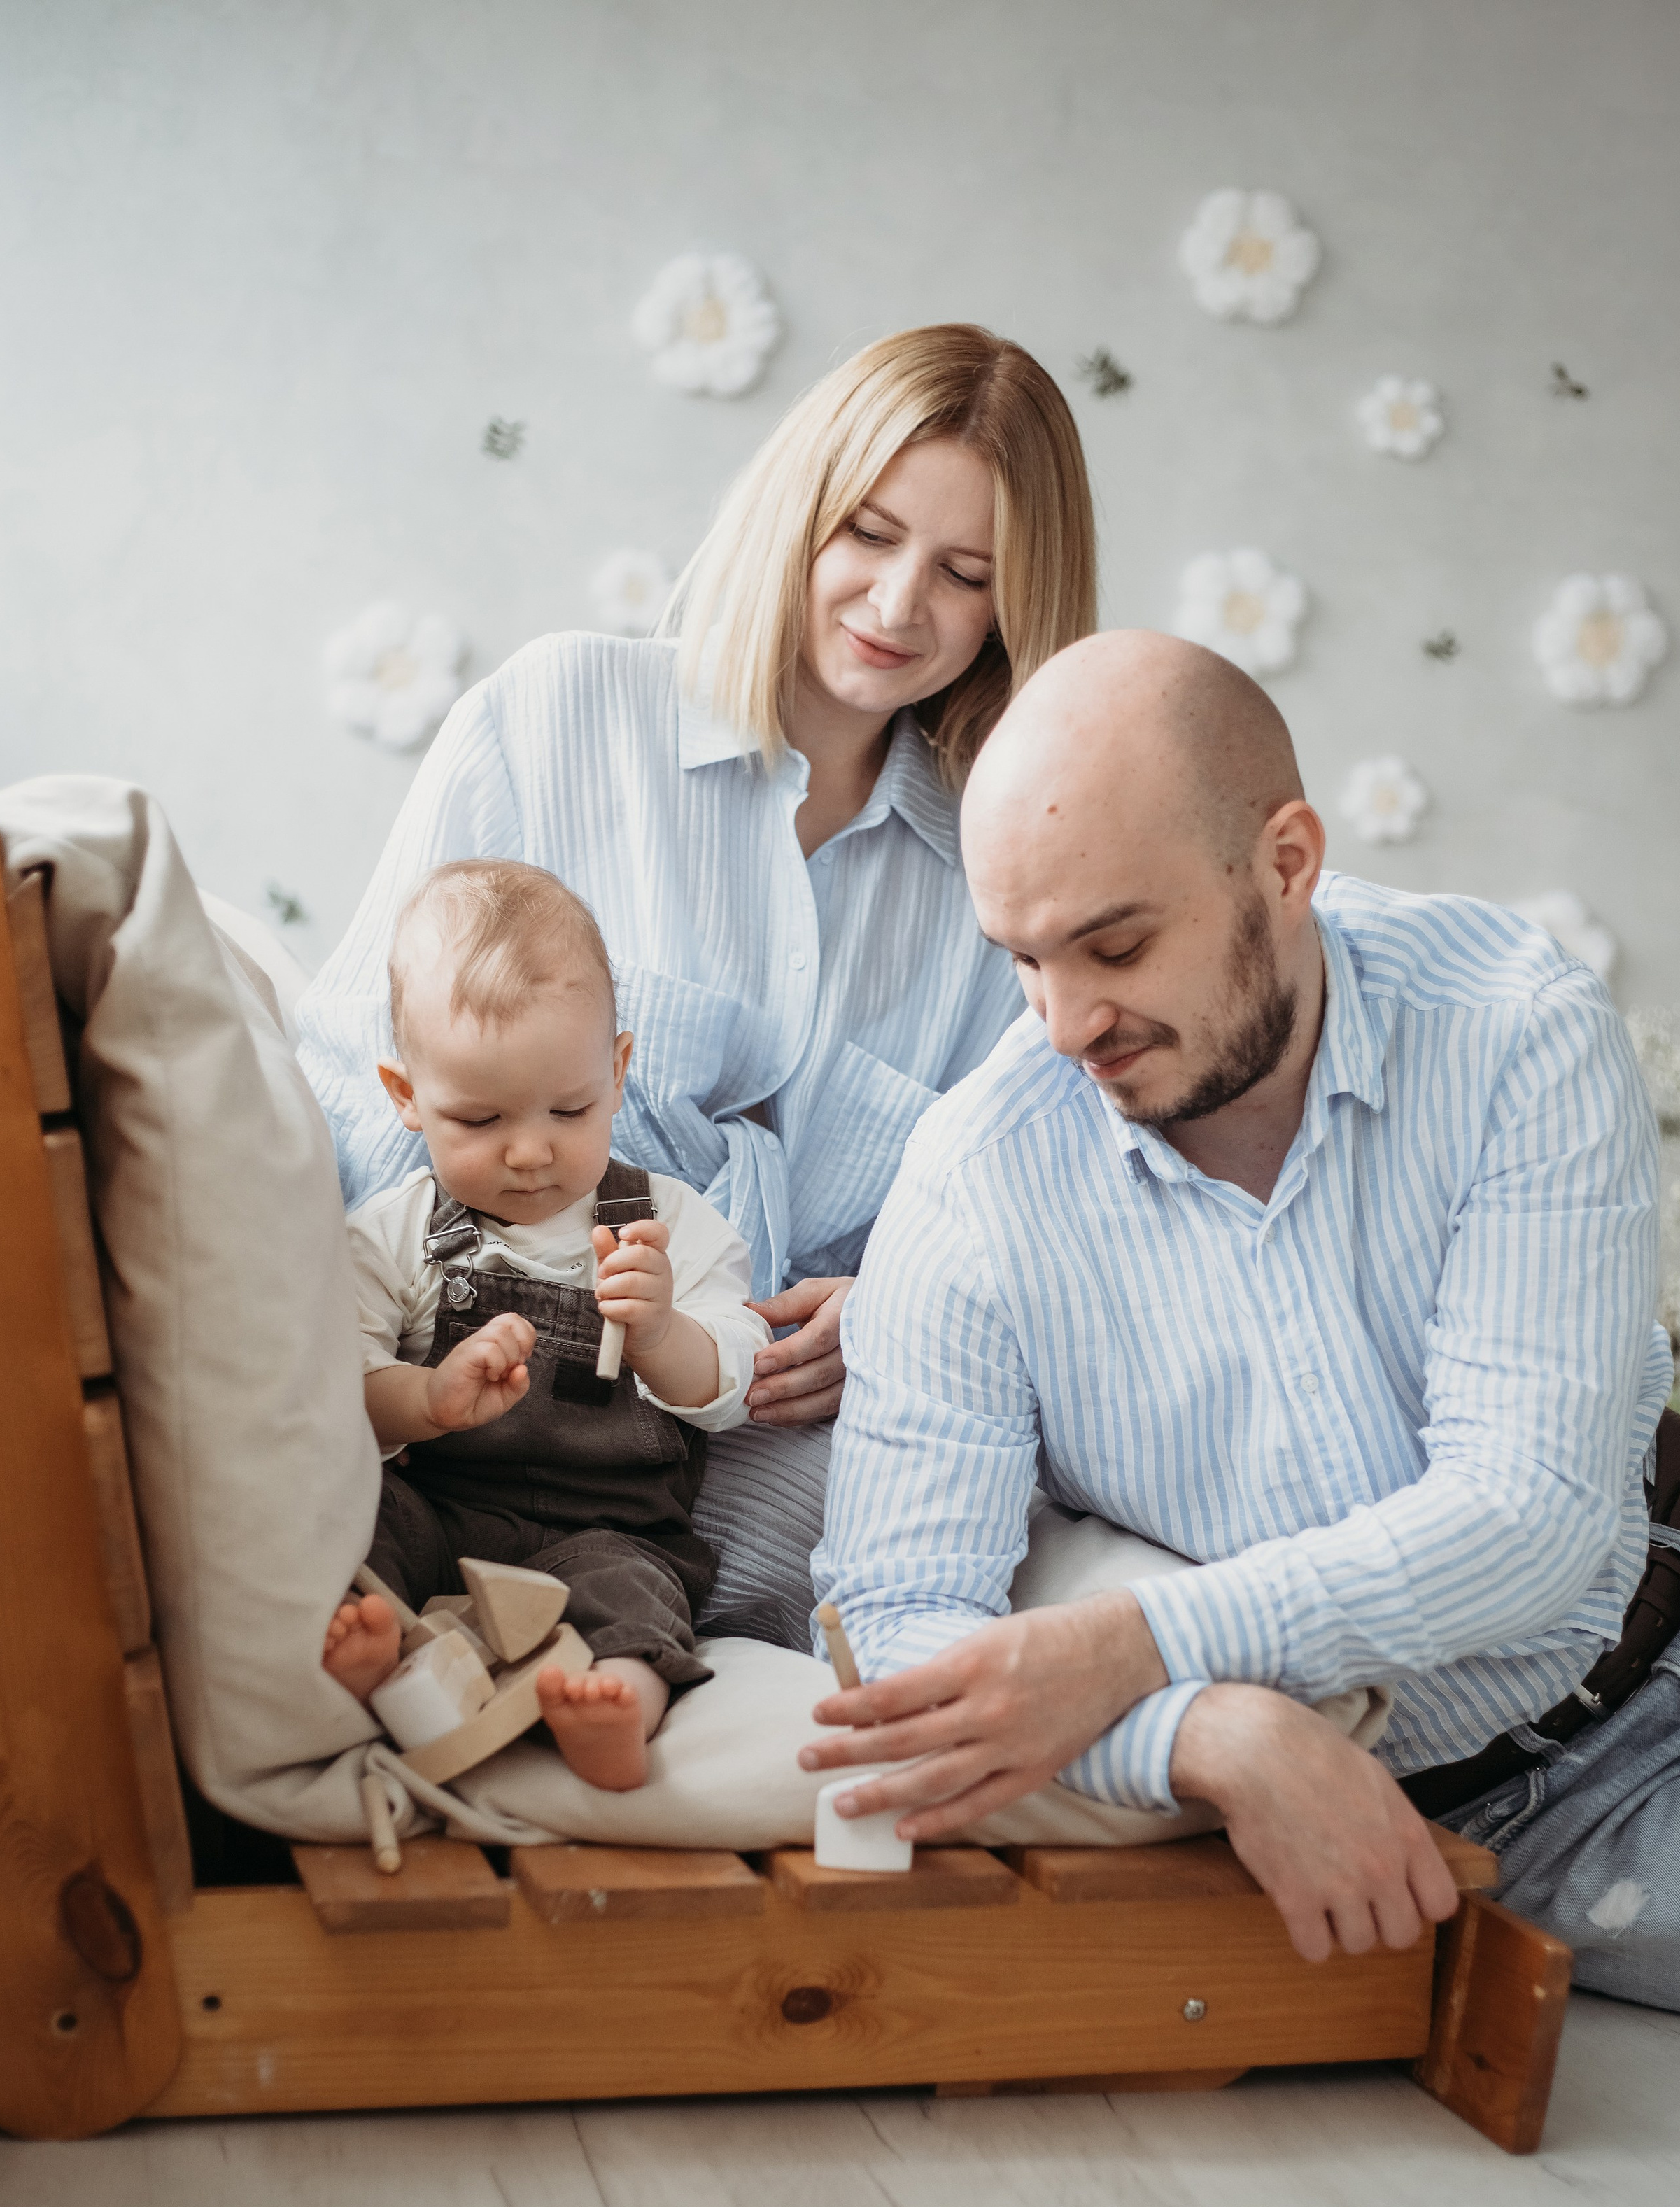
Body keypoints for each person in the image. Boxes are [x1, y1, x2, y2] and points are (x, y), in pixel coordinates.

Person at [808, 630, 1680, 2031]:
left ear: (1285, 861)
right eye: (1018, 959)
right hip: (1541, 1809)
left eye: (1115, 945)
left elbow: (1528, 1514)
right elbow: (899, 1625)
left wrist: (1135, 1644)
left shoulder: (1512, 1027)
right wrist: (1199, 1724)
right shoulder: (972, 1184)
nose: (1065, 1022)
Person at [295, 324, 1096, 1651]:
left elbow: (1018, 1199)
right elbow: (354, 1084)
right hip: (479, 1395)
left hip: (770, 1430)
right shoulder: (554, 719)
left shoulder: (996, 873)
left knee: (963, 1559)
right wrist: (445, 1334)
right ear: (797, 515)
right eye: (869, 535)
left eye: (967, 574)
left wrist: (893, 1301)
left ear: (1019, 605)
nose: (900, 607)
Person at [323, 859, 768, 1791]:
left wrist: (663, 1332)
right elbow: (342, 1397)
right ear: (405, 1094)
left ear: (616, 1070)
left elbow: (733, 1386)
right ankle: (388, 1668)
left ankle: (614, 1708)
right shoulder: (396, 1235)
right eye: (478, 1119)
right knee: (357, 1525)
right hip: (443, 1520)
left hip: (606, 1534)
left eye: (569, 1109)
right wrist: (430, 1399)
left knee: (641, 1599)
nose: (530, 1151)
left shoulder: (669, 1224)